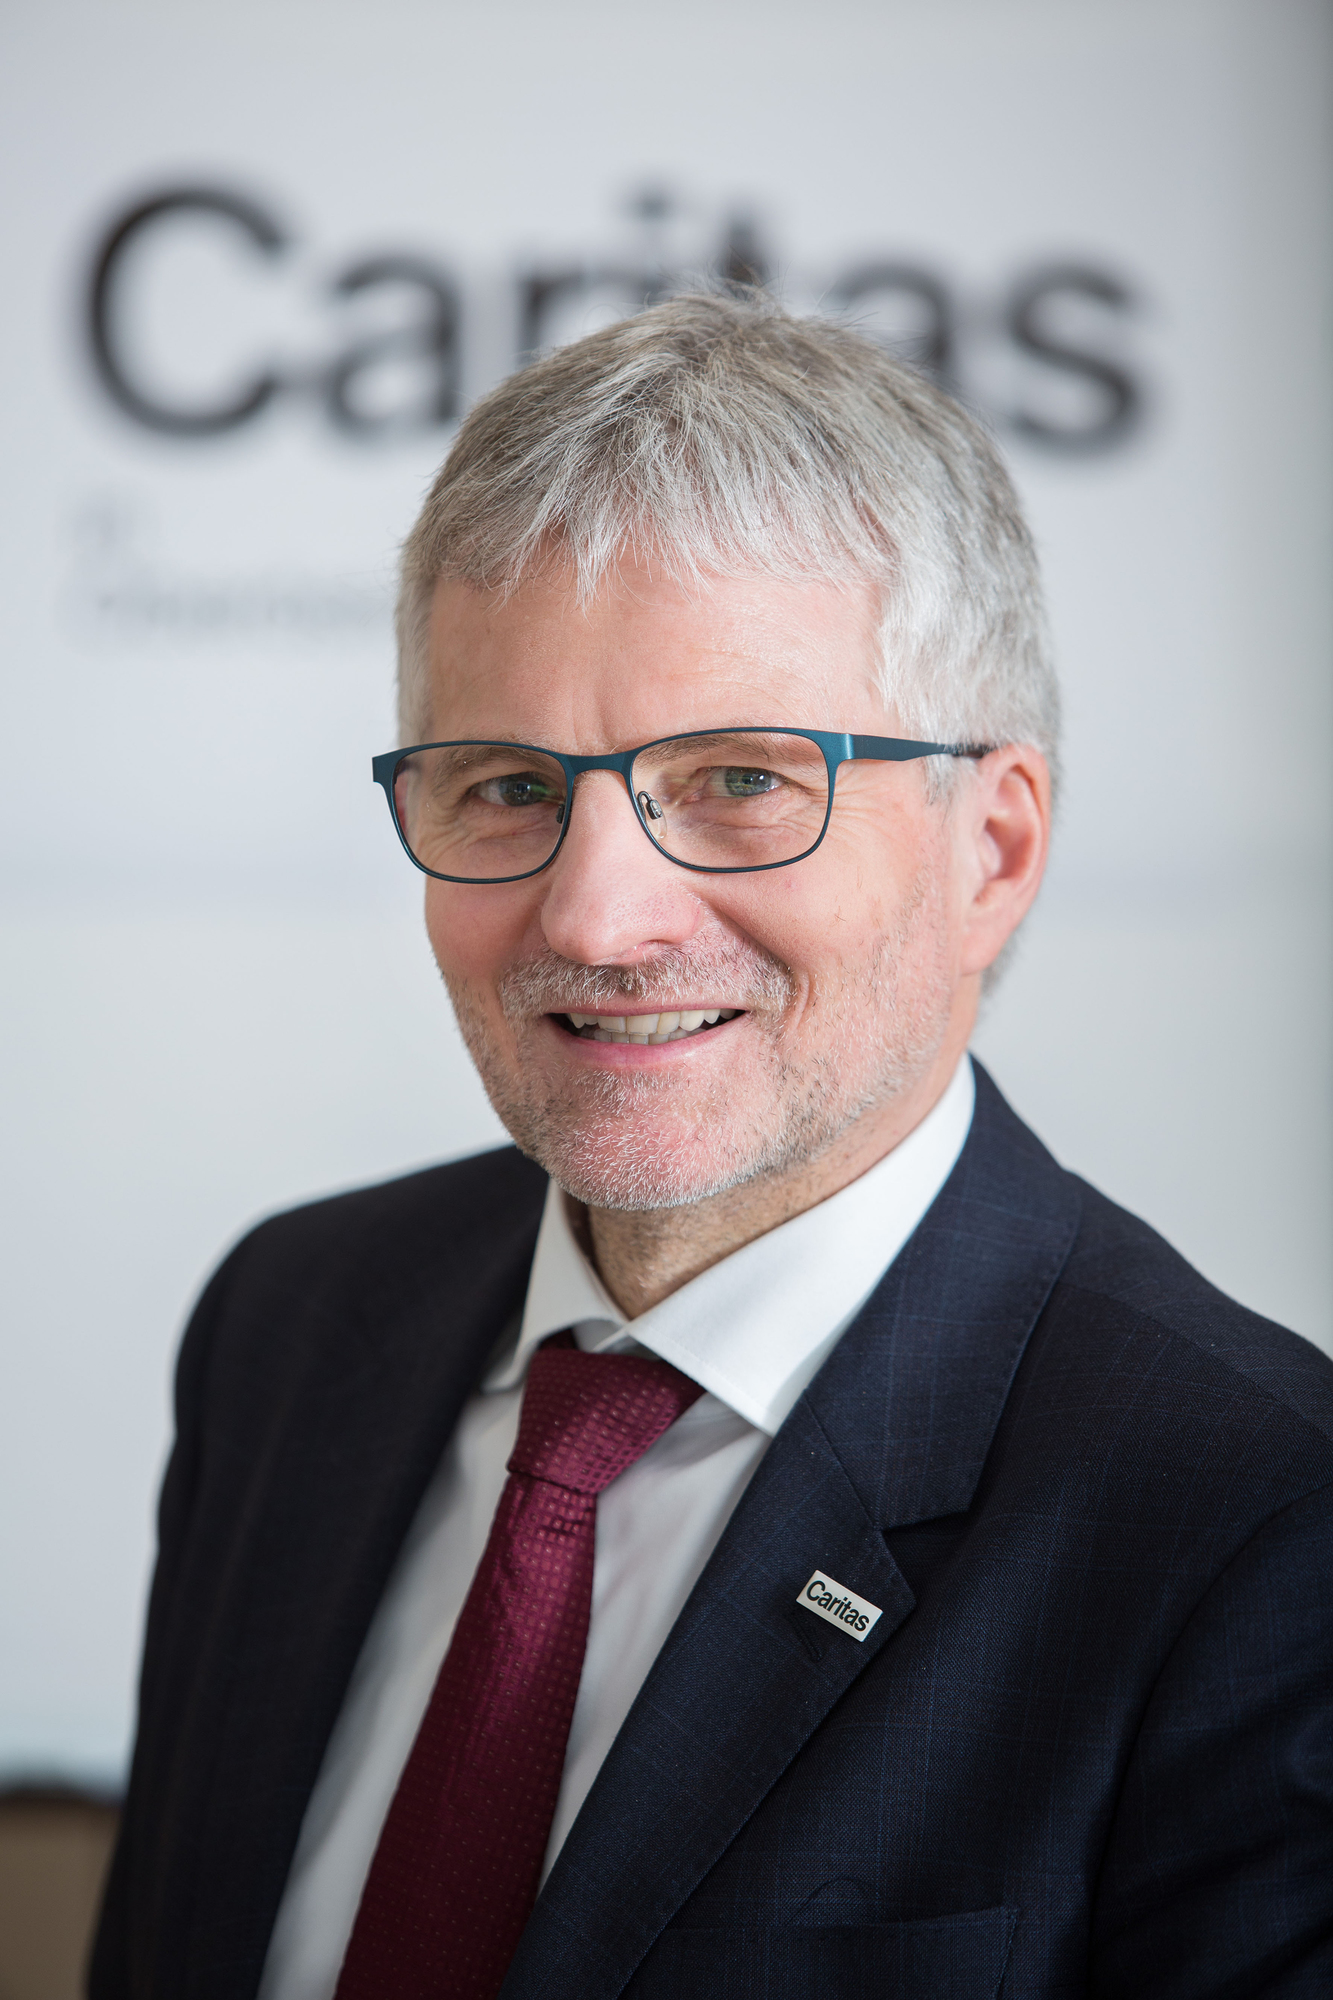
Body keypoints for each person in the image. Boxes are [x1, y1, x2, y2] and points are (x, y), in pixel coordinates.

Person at [92, 296, 1333, 2000]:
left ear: (989, 849)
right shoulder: (294, 1322)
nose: (596, 919)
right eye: (506, 786)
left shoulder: (1252, 1523)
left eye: (743, 779)